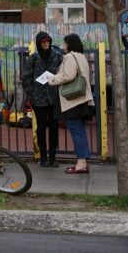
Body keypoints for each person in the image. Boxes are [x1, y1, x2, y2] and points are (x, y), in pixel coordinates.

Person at [49, 33, 94, 174]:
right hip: (82, 98)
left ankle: (81, 163)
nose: (63, 46)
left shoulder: (69, 56)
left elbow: (68, 75)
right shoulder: (82, 57)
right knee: (79, 130)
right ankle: (83, 161)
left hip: (73, 101)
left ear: (69, 44)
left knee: (76, 131)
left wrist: (53, 79)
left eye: (64, 43)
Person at [22, 31, 63, 167]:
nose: (46, 44)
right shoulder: (34, 58)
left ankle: (53, 157)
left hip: (54, 97)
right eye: (43, 42)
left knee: (54, 127)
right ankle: (43, 157)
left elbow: (63, 73)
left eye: (48, 41)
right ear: (39, 43)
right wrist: (31, 92)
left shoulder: (57, 56)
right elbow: (26, 76)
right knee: (40, 127)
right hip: (38, 99)